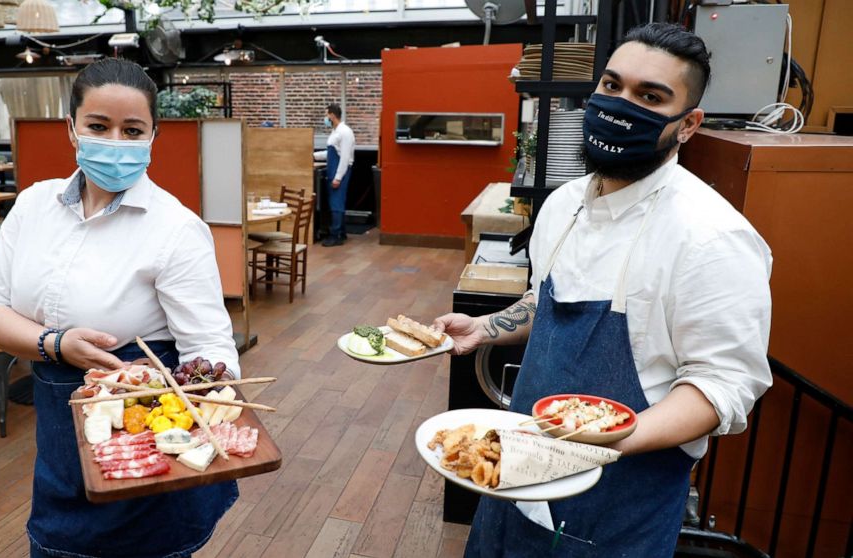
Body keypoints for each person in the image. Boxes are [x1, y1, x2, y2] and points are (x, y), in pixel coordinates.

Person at [433, 23, 772, 556]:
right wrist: (486, 327)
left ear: (688, 125)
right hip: (517, 474)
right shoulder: (564, 202)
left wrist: (601, 440)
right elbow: (547, 300)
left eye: (650, 96)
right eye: (612, 86)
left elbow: (723, 385)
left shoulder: (713, 237)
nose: (620, 105)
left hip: (619, 503)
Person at [0, 58, 240, 558]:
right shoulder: (33, 206)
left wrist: (209, 404)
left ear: (153, 136)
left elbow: (210, 346)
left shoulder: (175, 228)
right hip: (58, 435)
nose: (115, 140)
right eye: (98, 125)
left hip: (150, 436)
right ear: (72, 129)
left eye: (132, 129)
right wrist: (55, 344)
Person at [314, 103, 355, 247]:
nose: (325, 118)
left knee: (336, 204)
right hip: (334, 169)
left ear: (332, 115)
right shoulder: (335, 131)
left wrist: (338, 177)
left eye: (326, 114)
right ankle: (341, 232)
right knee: (336, 203)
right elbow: (331, 153)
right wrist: (313, 155)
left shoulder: (345, 132)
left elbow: (344, 157)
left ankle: (335, 235)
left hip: (339, 171)